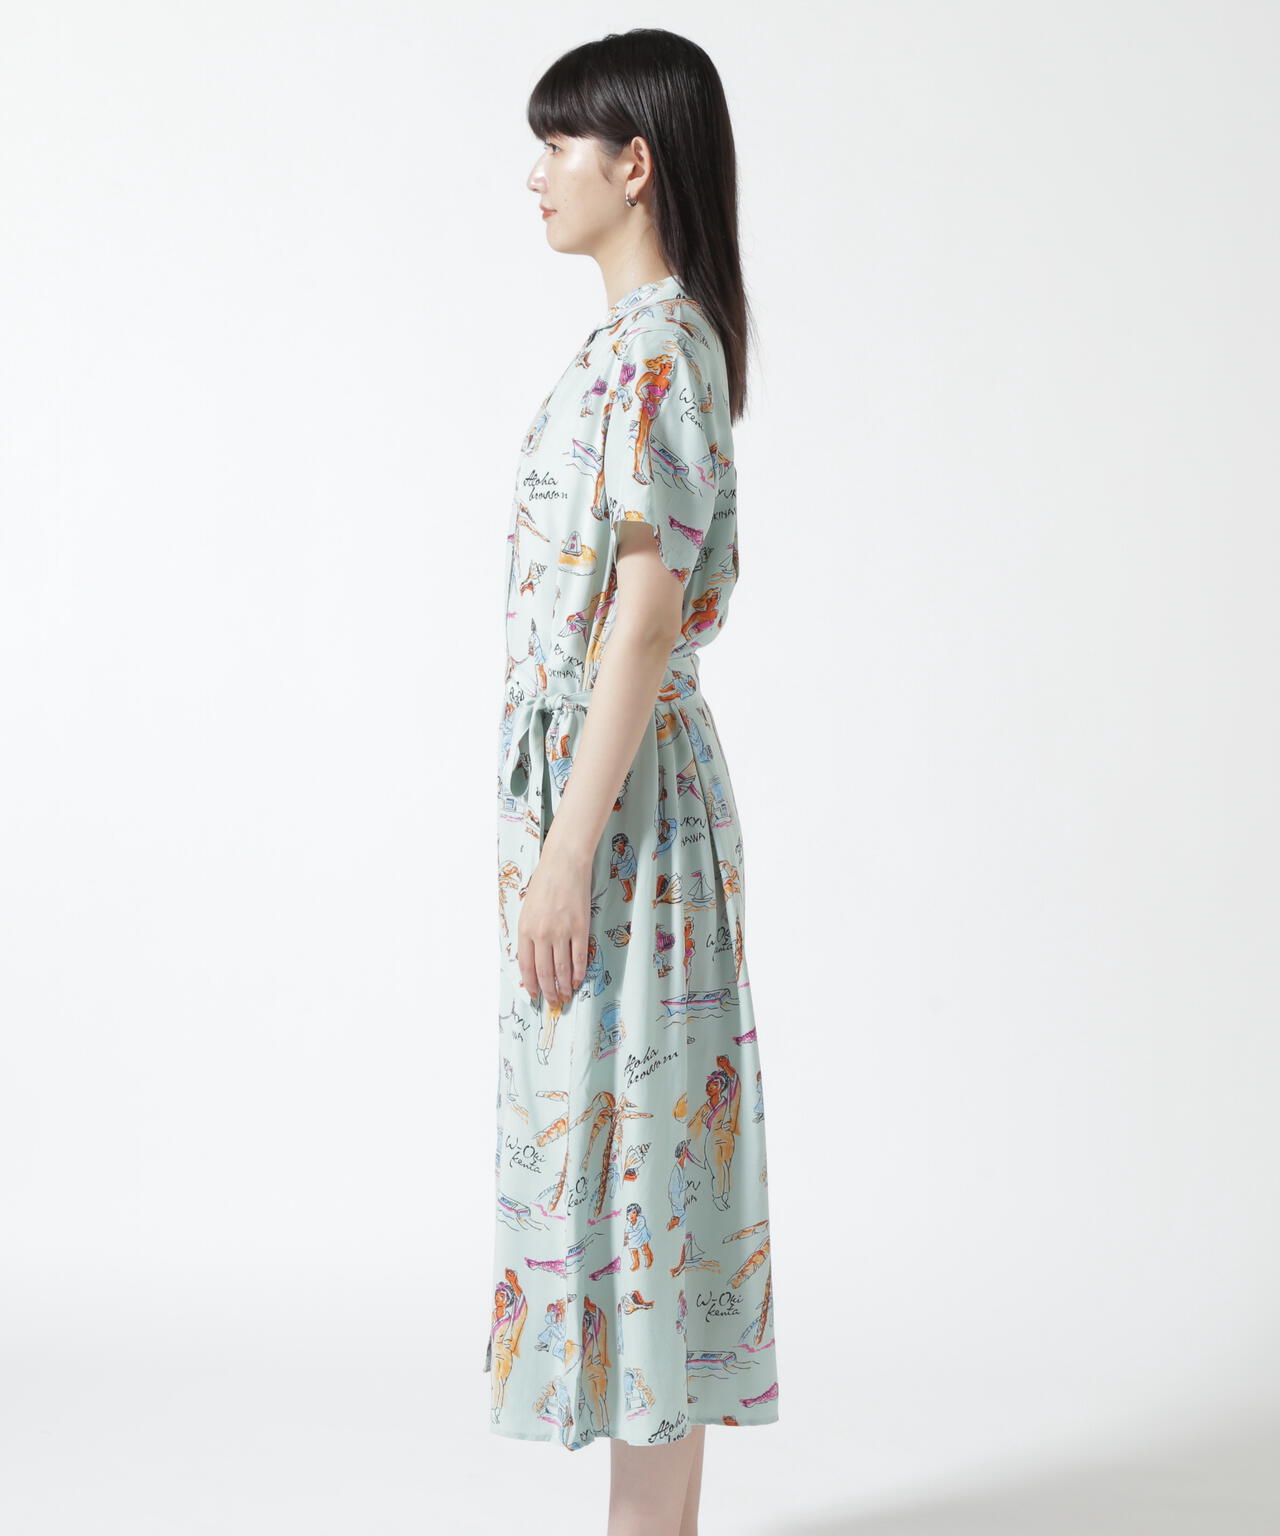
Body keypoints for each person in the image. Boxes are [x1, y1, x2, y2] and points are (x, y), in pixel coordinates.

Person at [484, 27, 781, 1536]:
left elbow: (648, 618)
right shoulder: (633, 348)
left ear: (636, 163)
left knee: (648, 1165)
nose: (538, 174)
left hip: (628, 817)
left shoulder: (663, 353)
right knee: (613, 1170)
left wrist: (564, 851)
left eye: (559, 145)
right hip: (602, 802)